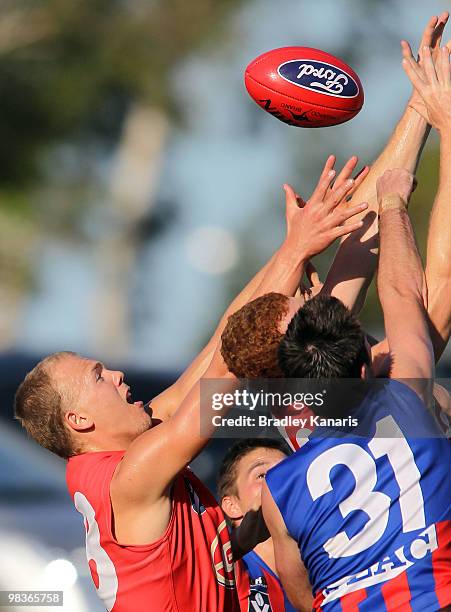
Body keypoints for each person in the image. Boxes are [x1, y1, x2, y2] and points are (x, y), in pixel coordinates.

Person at [13, 155, 366, 611]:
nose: (118, 375)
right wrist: (296, 252)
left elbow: (216, 346)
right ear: (78, 420)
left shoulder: (132, 452)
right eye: (98, 376)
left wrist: (290, 250)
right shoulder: (132, 474)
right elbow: (225, 368)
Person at [220, 13, 451, 445]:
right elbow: (436, 290)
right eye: (302, 311)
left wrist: (424, 100)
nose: (313, 296)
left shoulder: (318, 394)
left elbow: (357, 251)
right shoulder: (380, 393)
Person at [262, 163, 451, 610]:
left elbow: (303, 597)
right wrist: (392, 202)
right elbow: (407, 294)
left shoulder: (277, 487)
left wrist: (298, 251)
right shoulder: (406, 397)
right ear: (366, 369)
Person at [218, 438, 297, 611]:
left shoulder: (324, 557)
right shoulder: (220, 574)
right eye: (262, 475)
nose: (280, 481)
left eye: (288, 473)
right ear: (232, 506)